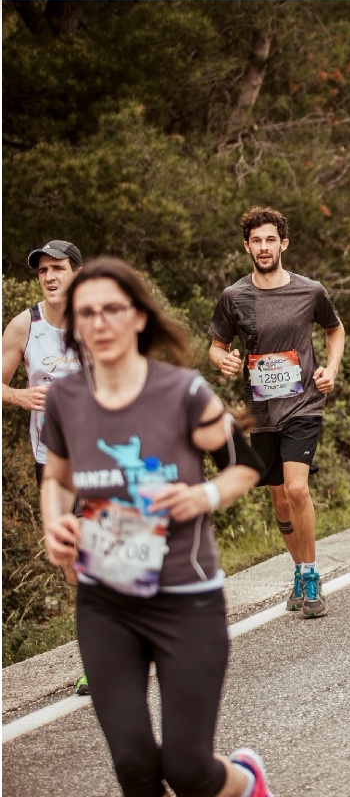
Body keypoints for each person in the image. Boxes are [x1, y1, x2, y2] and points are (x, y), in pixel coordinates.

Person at [41, 257, 272, 797]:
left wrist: (202, 495)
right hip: (105, 602)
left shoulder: (182, 393)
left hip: (185, 599)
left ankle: (246, 782)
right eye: (85, 313)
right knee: (135, 768)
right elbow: (56, 478)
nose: (99, 324)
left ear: (139, 317)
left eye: (112, 310)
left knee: (189, 771)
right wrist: (56, 524)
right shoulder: (66, 399)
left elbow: (246, 465)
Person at [209, 207, 345, 618]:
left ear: (283, 243)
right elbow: (216, 346)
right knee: (280, 499)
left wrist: (330, 369)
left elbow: (334, 329)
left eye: (271, 240)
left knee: (298, 488)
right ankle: (297, 568)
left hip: (304, 404)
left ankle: (310, 573)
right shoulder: (235, 297)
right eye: (256, 241)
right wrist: (223, 361)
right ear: (246, 246)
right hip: (261, 411)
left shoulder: (309, 291)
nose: (264, 247)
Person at [3, 240, 89, 695]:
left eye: (57, 268)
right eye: (42, 272)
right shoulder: (26, 325)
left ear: (76, 272)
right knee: (70, 561)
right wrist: (18, 396)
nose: (50, 277)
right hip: (49, 461)